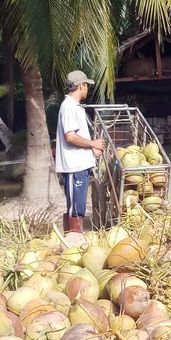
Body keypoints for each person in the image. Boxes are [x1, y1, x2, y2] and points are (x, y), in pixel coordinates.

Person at [55, 70, 106, 232]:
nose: (87, 89)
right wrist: (93, 143)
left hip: (79, 165)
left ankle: (74, 236)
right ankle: (74, 237)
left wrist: (92, 150)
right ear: (81, 86)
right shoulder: (69, 106)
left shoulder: (74, 107)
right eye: (86, 85)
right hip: (74, 166)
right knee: (76, 206)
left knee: (78, 203)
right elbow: (70, 136)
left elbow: (76, 137)